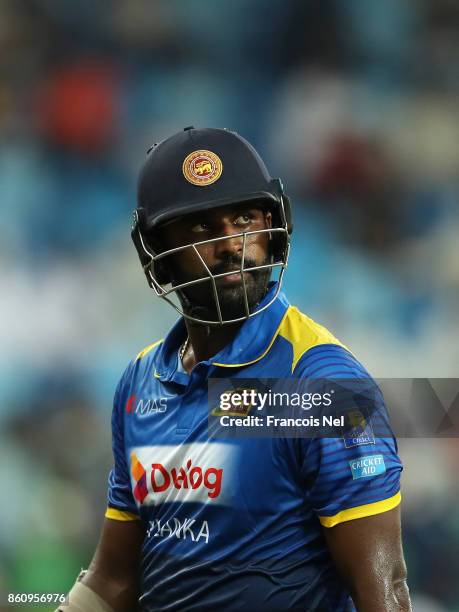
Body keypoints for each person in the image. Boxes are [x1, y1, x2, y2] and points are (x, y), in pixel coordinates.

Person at [59, 127, 411, 611]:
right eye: (202, 228)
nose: (231, 245)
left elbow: (384, 591)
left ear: (274, 225)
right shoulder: (140, 382)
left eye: (245, 218)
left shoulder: (323, 382)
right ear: (155, 250)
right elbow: (113, 581)